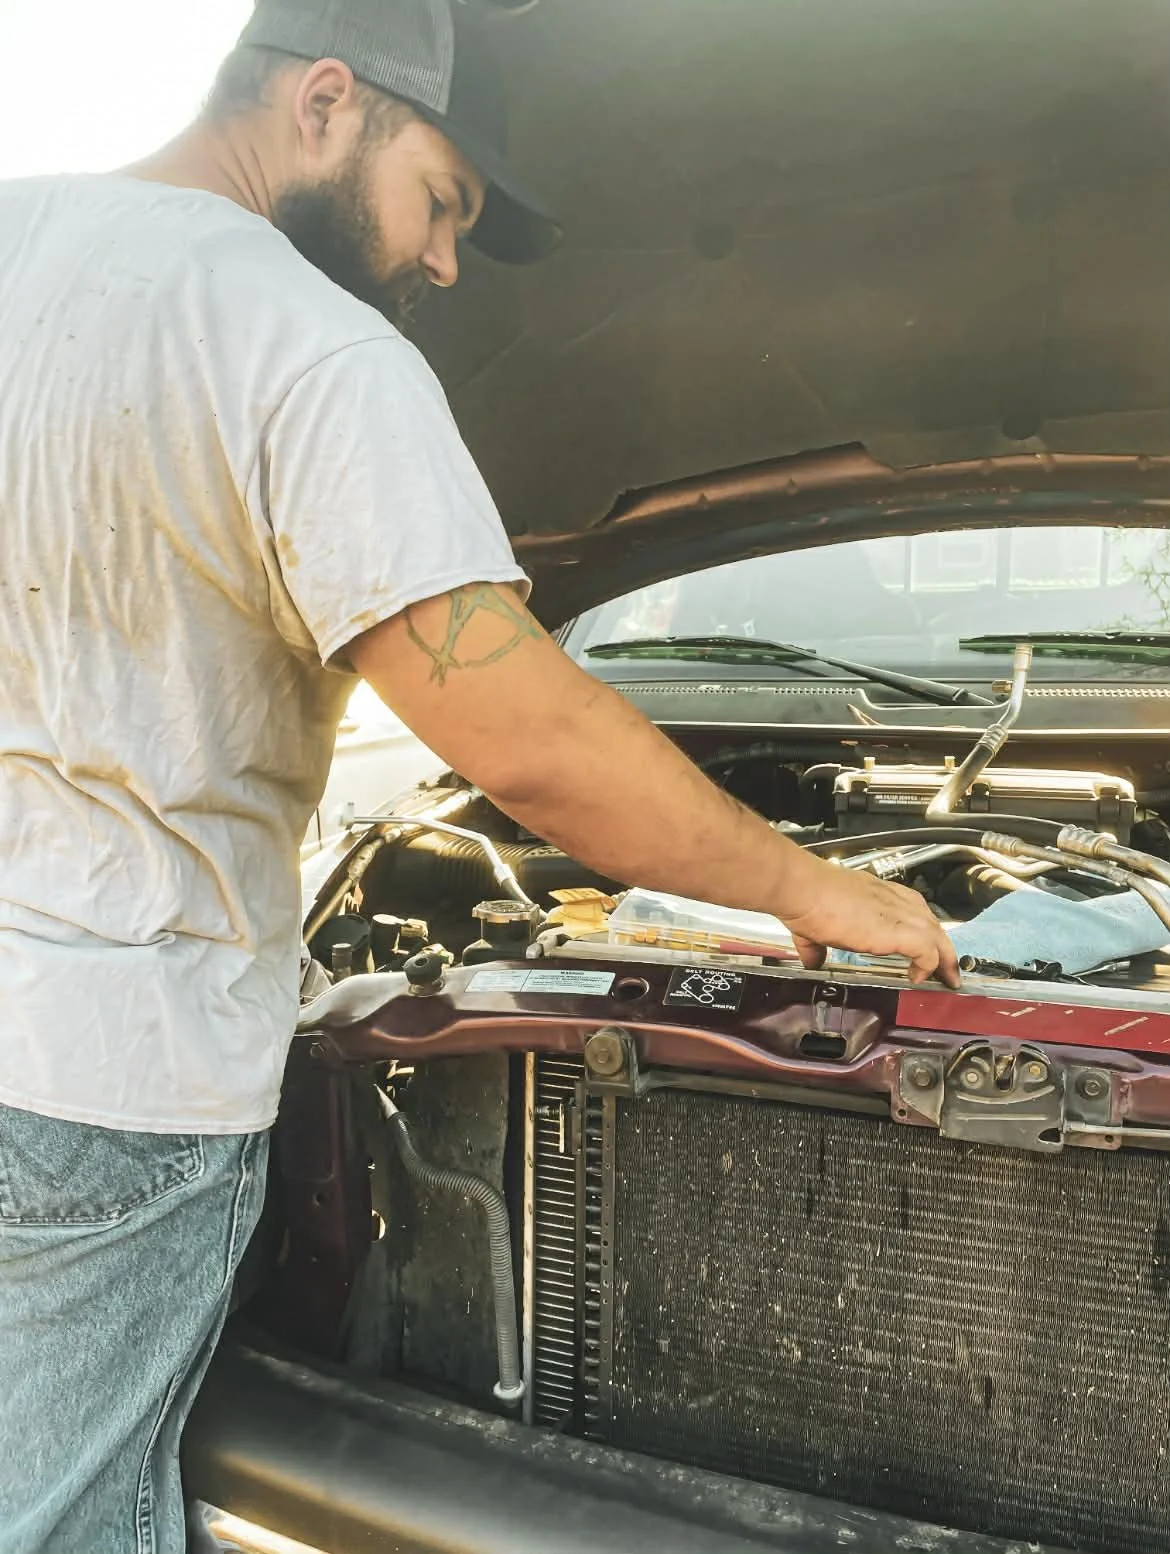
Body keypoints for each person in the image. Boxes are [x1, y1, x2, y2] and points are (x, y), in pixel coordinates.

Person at [0, 0, 958, 1548]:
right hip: (101, 1074)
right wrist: (811, 888)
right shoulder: (301, 342)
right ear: (324, 101)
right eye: (440, 199)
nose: (443, 262)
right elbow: (527, 744)